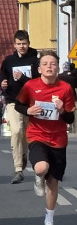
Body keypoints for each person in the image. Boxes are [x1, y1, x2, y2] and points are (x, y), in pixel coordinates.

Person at [13, 51, 75, 225]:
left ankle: (49, 222)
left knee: (53, 182)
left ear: (57, 68)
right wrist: (29, 110)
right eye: (45, 63)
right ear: (39, 69)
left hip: (58, 139)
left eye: (53, 63)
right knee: (41, 168)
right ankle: (37, 177)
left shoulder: (65, 89)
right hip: (37, 135)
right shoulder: (30, 86)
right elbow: (18, 105)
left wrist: (62, 110)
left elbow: (70, 117)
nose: (49, 66)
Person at [1, 30, 39, 183]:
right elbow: (3, 76)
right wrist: (3, 83)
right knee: (16, 131)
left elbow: (37, 83)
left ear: (28, 44)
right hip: (13, 101)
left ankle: (23, 154)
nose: (21, 46)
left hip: (30, 103)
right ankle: (18, 169)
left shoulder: (35, 62)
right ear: (14, 44)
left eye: (24, 43)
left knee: (27, 134)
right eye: (18, 44)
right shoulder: (9, 61)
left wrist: (23, 78)